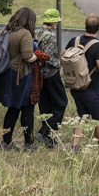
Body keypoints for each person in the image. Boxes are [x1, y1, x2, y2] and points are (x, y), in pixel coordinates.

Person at [63, 15, 99, 156]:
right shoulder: (98, 46)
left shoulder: (74, 41)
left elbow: (63, 56)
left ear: (85, 26)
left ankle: (75, 147)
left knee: (81, 117)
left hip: (76, 87)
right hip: (92, 88)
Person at [0, 7, 38, 150]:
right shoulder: (25, 33)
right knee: (27, 108)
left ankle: (6, 141)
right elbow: (27, 56)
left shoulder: (4, 30)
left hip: (5, 72)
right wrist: (38, 56)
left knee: (12, 108)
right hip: (21, 74)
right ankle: (29, 142)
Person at [34, 8, 67, 146]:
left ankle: (46, 136)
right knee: (61, 103)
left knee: (45, 105)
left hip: (38, 74)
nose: (57, 24)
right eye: (57, 21)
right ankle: (44, 132)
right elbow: (47, 57)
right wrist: (58, 65)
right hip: (51, 74)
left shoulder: (36, 32)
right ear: (53, 22)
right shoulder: (50, 36)